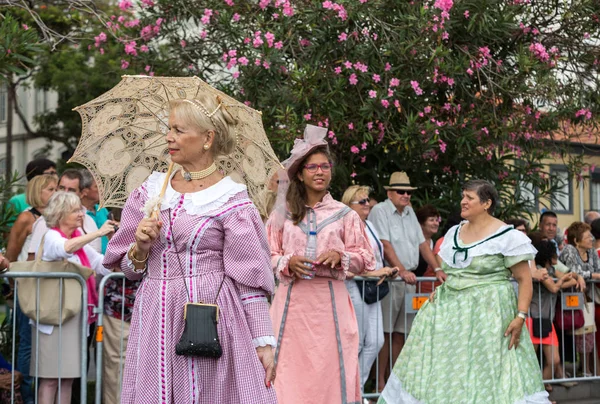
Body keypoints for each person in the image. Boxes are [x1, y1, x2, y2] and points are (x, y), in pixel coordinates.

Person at [102, 96, 277, 404]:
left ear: (207, 138)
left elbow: (250, 282)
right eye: (169, 129)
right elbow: (129, 270)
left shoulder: (231, 200)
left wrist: (263, 342)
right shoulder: (149, 193)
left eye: (179, 130)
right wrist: (140, 248)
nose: (170, 137)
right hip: (155, 313)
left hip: (212, 316)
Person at [378, 180, 550, 403]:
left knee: (488, 370)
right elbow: (452, 273)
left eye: (469, 197)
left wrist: (520, 316)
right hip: (454, 313)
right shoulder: (453, 233)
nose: (463, 201)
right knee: (450, 368)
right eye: (463, 196)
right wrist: (442, 290)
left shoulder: (507, 236)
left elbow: (524, 280)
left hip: (491, 314)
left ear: (487, 203)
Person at [267, 125, 375, 404]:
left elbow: (366, 258)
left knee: (331, 367)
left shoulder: (345, 215)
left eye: (325, 166)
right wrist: (287, 262)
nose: (319, 172)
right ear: (300, 174)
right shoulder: (283, 214)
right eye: (312, 167)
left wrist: (342, 257)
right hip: (292, 305)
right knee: (288, 368)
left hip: (331, 306)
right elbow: (265, 255)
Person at [31, 191, 115, 404]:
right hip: (53, 319)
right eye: (76, 210)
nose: (81, 214)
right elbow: (64, 249)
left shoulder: (78, 240)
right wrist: (96, 234)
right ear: (60, 214)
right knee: (50, 379)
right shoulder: (52, 236)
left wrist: (120, 244)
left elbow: (102, 265)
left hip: (76, 317)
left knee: (68, 378)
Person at [367, 171, 442, 390]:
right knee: (385, 332)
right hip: (391, 277)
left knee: (401, 332)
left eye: (408, 192)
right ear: (389, 192)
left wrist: (437, 268)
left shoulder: (409, 212)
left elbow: (422, 245)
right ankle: (379, 382)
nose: (406, 195)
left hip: (408, 278)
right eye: (401, 191)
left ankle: (393, 381)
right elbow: (385, 244)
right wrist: (400, 270)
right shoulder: (380, 211)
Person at [5, 174, 57, 404]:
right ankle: (24, 396)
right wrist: (15, 287)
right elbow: (11, 256)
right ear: (37, 192)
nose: (55, 193)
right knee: (27, 344)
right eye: (50, 189)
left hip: (49, 291)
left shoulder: (57, 217)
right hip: (27, 288)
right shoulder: (26, 217)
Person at [341, 185, 397, 391]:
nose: (368, 204)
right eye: (362, 201)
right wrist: (372, 273)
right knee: (357, 343)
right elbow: (343, 264)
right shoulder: (344, 227)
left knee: (376, 341)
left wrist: (388, 270)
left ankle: (357, 387)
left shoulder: (370, 226)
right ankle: (349, 390)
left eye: (368, 200)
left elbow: (376, 257)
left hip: (372, 287)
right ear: (349, 205)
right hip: (354, 285)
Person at [527, 238, 578, 390]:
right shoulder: (541, 271)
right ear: (547, 256)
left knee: (554, 360)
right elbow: (553, 288)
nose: (556, 257)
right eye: (554, 254)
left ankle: (541, 388)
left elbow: (571, 280)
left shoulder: (551, 271)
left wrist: (562, 280)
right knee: (530, 360)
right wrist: (561, 281)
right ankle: (533, 391)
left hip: (546, 319)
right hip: (533, 318)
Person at [28, 169, 102, 259]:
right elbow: (32, 258)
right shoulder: (45, 221)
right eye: (62, 188)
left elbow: (96, 258)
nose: (65, 193)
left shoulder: (89, 221)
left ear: (82, 194)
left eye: (71, 190)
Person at [559, 222, 600, 373]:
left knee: (587, 333)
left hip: (586, 298)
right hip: (567, 298)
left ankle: (586, 370)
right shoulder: (569, 250)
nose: (591, 239)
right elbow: (572, 271)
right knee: (570, 334)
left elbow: (598, 269)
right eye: (588, 236)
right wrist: (593, 275)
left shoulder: (592, 252)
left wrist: (590, 275)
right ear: (576, 240)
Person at [7, 158, 57, 227]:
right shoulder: (16, 201)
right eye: (51, 173)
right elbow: (8, 233)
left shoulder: (56, 199)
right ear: (36, 176)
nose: (55, 176)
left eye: (55, 173)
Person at [80, 169, 111, 253]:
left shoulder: (102, 209)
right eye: (96, 186)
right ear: (85, 191)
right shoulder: (79, 214)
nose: (102, 189)